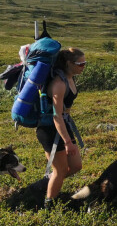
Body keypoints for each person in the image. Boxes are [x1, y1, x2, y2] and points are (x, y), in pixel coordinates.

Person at [34, 47, 86, 209]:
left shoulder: (70, 78)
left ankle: (47, 183)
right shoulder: (58, 84)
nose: (83, 66)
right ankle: (49, 204)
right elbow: (56, 115)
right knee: (60, 169)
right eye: (80, 63)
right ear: (68, 63)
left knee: (76, 165)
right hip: (50, 129)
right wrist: (67, 142)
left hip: (64, 125)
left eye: (85, 63)